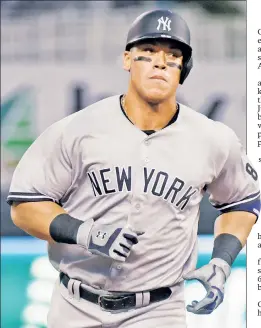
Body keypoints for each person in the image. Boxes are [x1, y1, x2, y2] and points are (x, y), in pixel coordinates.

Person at [7, 9, 260, 328]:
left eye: (173, 54)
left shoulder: (213, 139)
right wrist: (86, 232)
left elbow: (243, 201)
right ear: (127, 59)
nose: (160, 62)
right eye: (148, 52)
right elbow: (26, 204)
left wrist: (222, 261)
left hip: (159, 310)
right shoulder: (76, 130)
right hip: (76, 306)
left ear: (184, 68)